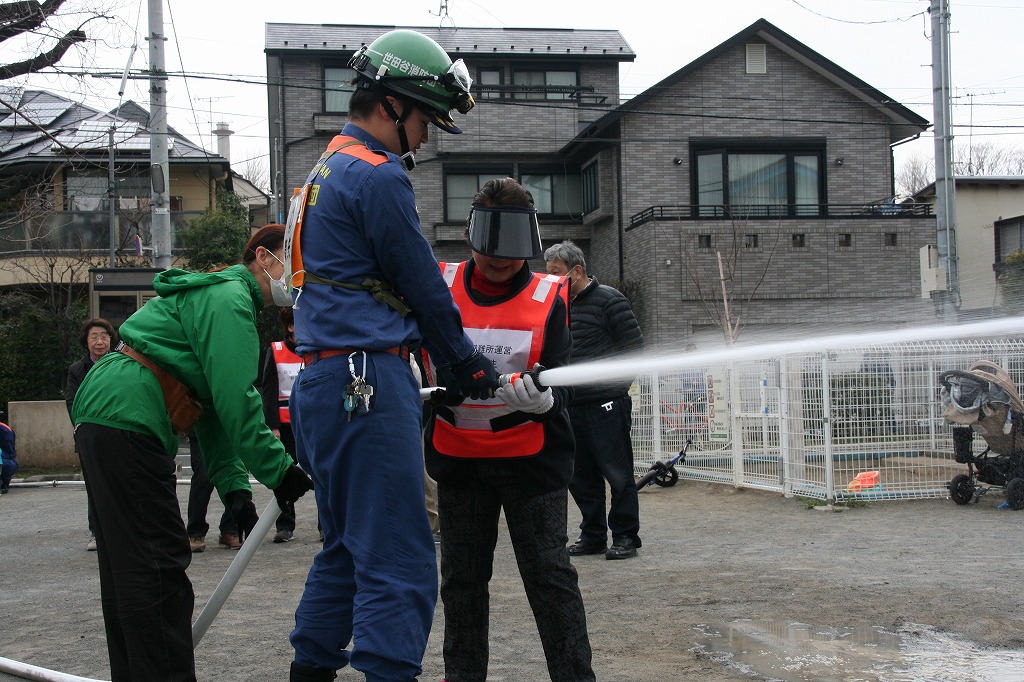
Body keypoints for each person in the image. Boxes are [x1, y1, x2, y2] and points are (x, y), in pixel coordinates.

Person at [284, 28, 498, 682]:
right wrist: (465, 361)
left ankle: (310, 671)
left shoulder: (322, 170)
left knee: (347, 551)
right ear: (392, 105)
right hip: (366, 382)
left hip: (322, 384)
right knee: (401, 557)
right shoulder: (376, 175)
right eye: (426, 120)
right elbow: (421, 281)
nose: (427, 137)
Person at [71, 224, 314, 682]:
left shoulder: (218, 293)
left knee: (127, 569)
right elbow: (236, 397)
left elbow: (213, 411)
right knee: (158, 569)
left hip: (109, 411)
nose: (302, 273)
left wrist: (237, 492)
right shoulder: (230, 298)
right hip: (128, 415)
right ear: (264, 257)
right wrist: (280, 470)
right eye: (295, 260)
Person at [423, 178, 595, 682]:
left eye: (511, 249)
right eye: (488, 248)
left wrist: (546, 400)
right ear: (471, 234)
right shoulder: (439, 285)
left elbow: (564, 377)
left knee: (550, 578)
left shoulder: (549, 295)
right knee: (461, 582)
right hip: (460, 460)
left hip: (531, 462)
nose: (499, 259)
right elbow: (414, 349)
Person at [545, 240, 645, 560]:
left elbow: (634, 348)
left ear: (576, 271)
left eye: (556, 272)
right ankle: (592, 535)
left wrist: (614, 389)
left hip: (607, 403)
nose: (550, 279)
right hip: (570, 404)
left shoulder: (609, 300)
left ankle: (625, 536)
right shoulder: (555, 306)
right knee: (580, 476)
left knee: (618, 473)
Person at [65, 317, 117, 550]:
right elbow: (72, 403)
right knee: (95, 485)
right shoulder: (77, 370)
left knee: (119, 482)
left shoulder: (120, 363)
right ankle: (96, 532)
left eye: (104, 337)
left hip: (117, 432)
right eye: (94, 337)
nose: (99, 341)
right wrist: (82, 429)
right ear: (86, 342)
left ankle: (120, 531)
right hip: (89, 434)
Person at [260, 306, 305, 543]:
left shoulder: (315, 350)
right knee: (285, 475)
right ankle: (285, 525)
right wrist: (273, 426)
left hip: (310, 424)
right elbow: (269, 391)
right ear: (290, 327)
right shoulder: (276, 351)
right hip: (285, 427)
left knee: (322, 474)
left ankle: (326, 526)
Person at [185, 432, 240, 552]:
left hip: (229, 430)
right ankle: (196, 532)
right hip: (200, 429)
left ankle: (229, 530)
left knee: (234, 477)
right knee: (202, 478)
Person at [0, 420, 16, 494]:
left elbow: (10, 453)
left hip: (3, 459)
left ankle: (3, 484)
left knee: (8, 465)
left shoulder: (5, 431)